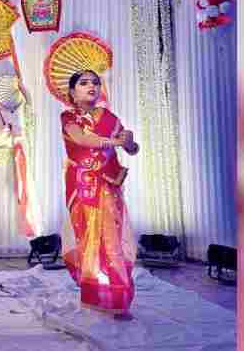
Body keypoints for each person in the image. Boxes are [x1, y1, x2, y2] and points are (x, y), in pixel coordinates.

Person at [59, 70, 140, 320]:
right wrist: (115, 142)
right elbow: (82, 140)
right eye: (84, 83)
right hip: (81, 184)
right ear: (72, 92)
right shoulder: (69, 117)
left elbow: (132, 149)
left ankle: (118, 298)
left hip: (108, 183)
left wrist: (128, 142)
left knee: (111, 240)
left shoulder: (109, 117)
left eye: (95, 82)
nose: (91, 86)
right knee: (88, 238)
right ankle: (95, 289)